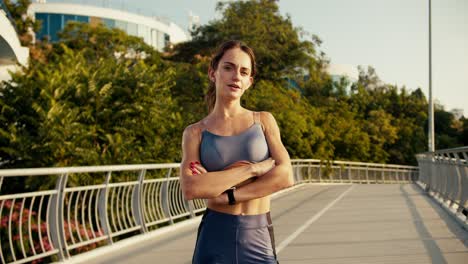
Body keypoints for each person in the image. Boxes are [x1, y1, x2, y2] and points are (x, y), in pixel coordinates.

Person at [179, 40, 294, 264]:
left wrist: (226, 194)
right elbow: (192, 188)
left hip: (258, 237)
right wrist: (253, 169)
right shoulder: (194, 133)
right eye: (228, 68)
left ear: (249, 81)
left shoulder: (264, 121)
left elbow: (286, 176)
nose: (236, 77)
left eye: (244, 72)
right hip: (214, 238)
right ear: (213, 73)